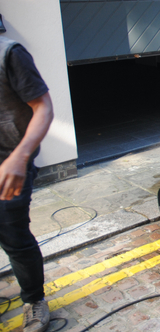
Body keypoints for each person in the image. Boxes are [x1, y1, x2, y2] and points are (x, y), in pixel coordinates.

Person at [0, 35, 54, 332]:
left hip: (9, 166)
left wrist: (20, 157)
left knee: (14, 238)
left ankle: (34, 300)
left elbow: (43, 107)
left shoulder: (9, 53)